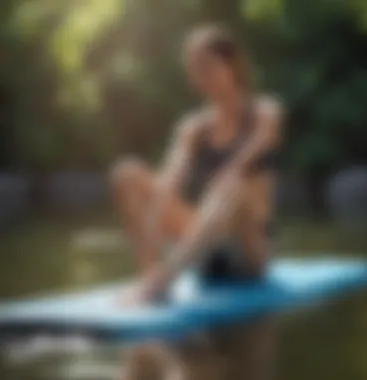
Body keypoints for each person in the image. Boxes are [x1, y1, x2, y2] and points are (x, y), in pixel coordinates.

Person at [112, 24, 283, 380]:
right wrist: (152, 221)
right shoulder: (194, 128)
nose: (200, 78)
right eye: (194, 70)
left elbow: (262, 143)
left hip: (250, 251)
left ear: (232, 65)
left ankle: (162, 282)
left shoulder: (265, 111)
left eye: (207, 67)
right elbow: (167, 182)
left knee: (233, 185)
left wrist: (230, 169)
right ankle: (150, 276)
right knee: (127, 173)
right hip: (205, 242)